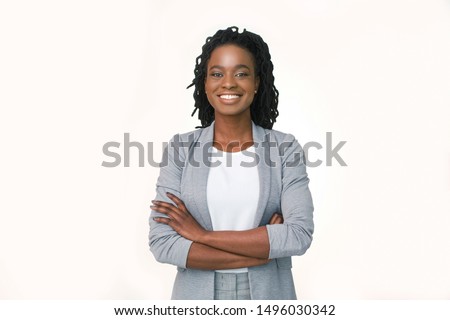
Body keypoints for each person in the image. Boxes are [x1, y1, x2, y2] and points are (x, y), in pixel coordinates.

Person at [148, 26, 314, 300]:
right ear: (205, 83)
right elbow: (163, 243)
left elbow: (298, 235)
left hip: (268, 296)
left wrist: (201, 236)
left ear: (257, 82)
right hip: (197, 297)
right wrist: (262, 251)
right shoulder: (181, 148)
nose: (228, 83)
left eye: (241, 73)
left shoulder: (284, 148)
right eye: (217, 74)